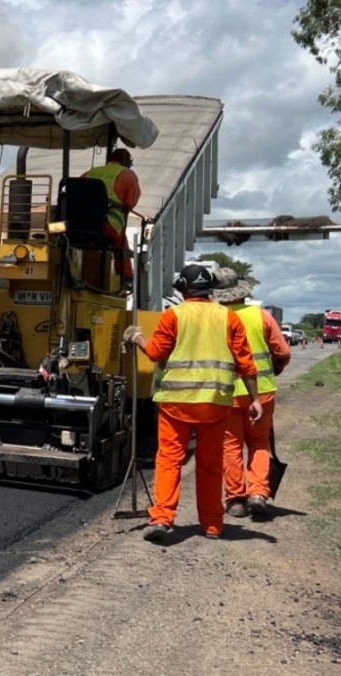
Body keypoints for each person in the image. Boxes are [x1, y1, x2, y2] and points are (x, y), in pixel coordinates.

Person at [127, 262, 261, 540]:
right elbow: (246, 364)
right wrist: (255, 400)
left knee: (169, 460)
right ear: (210, 289)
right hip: (215, 404)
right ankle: (212, 525)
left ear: (184, 289)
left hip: (177, 402)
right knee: (211, 464)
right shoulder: (229, 318)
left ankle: (162, 519)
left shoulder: (173, 315)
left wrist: (137, 336)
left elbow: (155, 353)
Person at [212, 269, 290, 520]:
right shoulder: (262, 316)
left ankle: (235, 500)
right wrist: (275, 369)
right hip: (262, 392)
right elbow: (283, 352)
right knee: (259, 442)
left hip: (226, 395)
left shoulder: (214, 318)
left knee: (230, 446)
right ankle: (258, 493)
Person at [82, 147, 141, 278]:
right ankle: (125, 276)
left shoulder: (91, 172)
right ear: (126, 162)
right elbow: (130, 202)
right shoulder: (128, 175)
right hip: (108, 224)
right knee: (121, 244)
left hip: (82, 223)